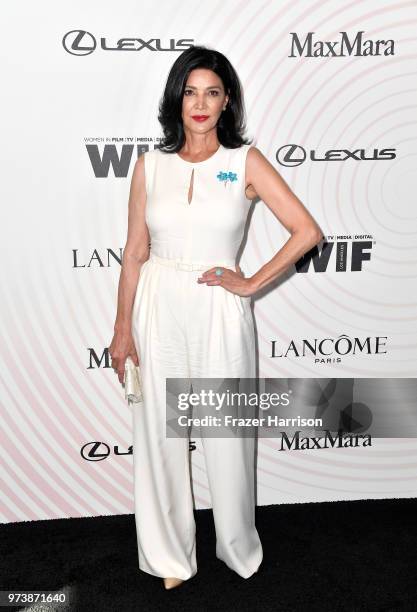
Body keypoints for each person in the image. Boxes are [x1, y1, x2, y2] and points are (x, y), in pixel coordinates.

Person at [109, 45, 322, 590]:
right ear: (175, 99)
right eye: (190, 91)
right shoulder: (149, 166)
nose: (200, 103)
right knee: (159, 433)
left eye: (212, 92)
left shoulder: (243, 161)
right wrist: (121, 328)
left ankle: (237, 548)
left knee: (227, 434)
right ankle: (169, 559)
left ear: (227, 102)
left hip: (219, 307)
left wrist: (249, 283)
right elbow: (134, 252)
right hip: (157, 301)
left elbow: (307, 232)